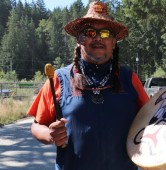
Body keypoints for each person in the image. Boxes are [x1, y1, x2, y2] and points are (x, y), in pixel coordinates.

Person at [27, 1, 149, 170]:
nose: (98, 37)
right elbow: (36, 125)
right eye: (90, 32)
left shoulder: (130, 78)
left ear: (113, 42)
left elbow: (152, 121)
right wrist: (50, 135)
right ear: (79, 40)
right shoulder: (58, 79)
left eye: (105, 33)